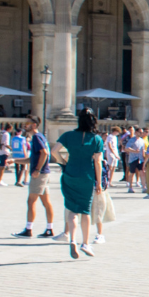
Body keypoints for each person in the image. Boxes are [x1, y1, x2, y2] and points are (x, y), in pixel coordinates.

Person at [55, 108, 104, 259]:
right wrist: (99, 182)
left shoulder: (68, 135)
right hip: (87, 176)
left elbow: (54, 151)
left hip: (70, 173)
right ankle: (85, 243)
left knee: (71, 209)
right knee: (85, 210)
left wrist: (63, 164)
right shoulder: (96, 139)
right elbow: (97, 162)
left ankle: (72, 240)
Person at [11, 117, 56, 238]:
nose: (25, 125)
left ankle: (28, 230)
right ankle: (49, 229)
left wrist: (37, 170)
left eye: (28, 123)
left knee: (31, 202)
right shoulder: (40, 137)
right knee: (46, 202)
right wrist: (15, 161)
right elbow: (32, 159)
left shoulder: (36, 137)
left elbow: (44, 153)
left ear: (34, 125)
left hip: (40, 174)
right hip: (44, 173)